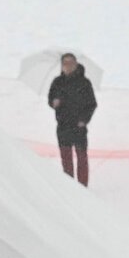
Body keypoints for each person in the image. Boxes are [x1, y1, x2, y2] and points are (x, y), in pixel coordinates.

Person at [47, 53, 96, 183]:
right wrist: (54, 102)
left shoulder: (84, 83)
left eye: (70, 63)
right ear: (61, 65)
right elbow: (50, 99)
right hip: (63, 126)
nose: (68, 66)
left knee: (82, 159)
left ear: (76, 64)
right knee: (66, 159)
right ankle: (69, 187)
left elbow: (92, 104)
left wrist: (84, 120)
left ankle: (82, 188)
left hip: (79, 127)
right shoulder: (57, 82)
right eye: (65, 63)